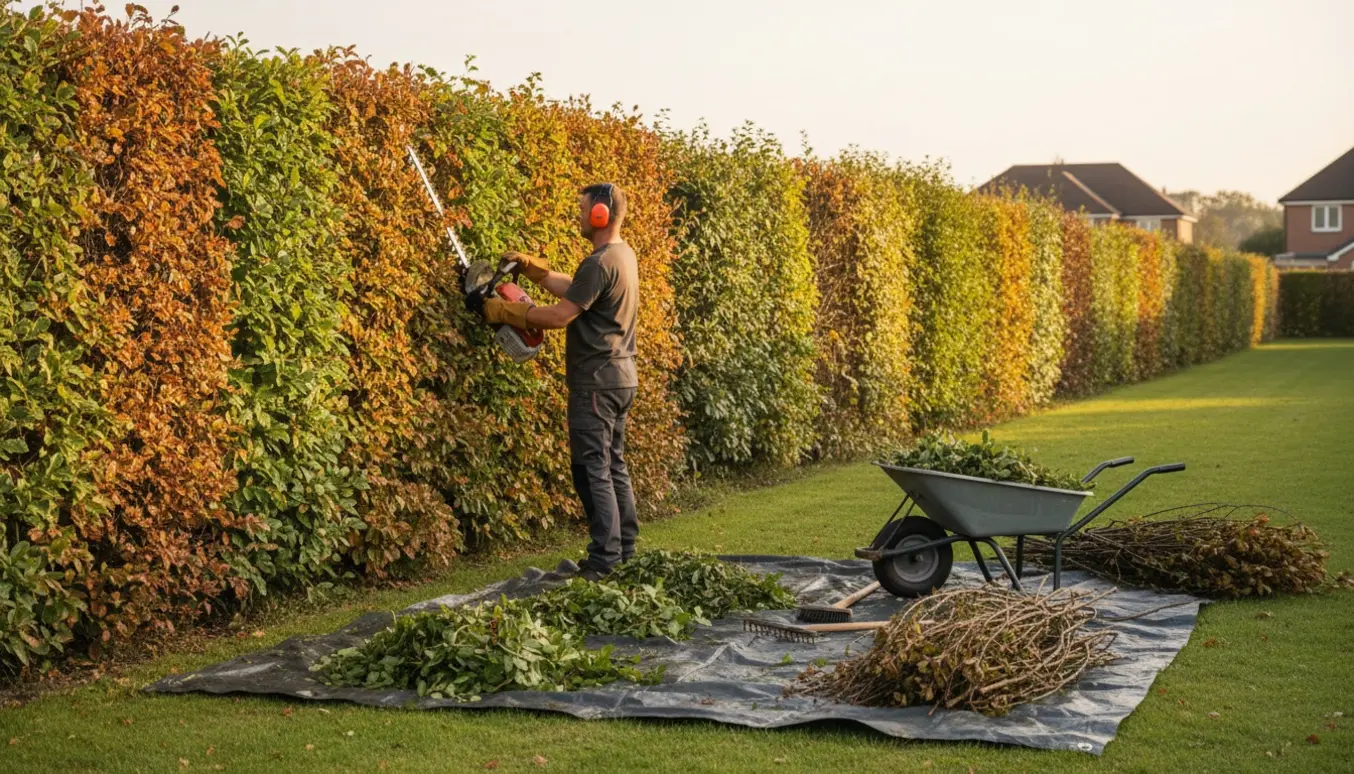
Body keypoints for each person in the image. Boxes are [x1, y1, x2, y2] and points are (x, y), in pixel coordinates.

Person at [480, 183, 639, 581]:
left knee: (593, 470)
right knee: (612, 464)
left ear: (601, 214)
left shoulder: (600, 261)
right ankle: (625, 551)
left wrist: (507, 312)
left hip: (596, 382)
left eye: (584, 210)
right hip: (620, 378)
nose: (579, 216)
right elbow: (579, 291)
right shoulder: (621, 255)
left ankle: (604, 561)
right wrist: (536, 272)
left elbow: (559, 316)